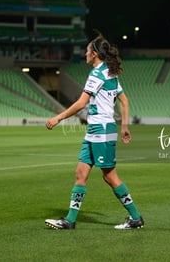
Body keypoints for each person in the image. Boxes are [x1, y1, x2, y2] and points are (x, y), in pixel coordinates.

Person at [44, 33, 144, 230]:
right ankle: (70, 221)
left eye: (88, 50)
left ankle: (135, 217)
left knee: (109, 176)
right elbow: (124, 101)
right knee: (80, 173)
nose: (85, 53)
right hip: (95, 130)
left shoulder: (97, 74)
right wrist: (123, 127)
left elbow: (82, 102)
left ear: (95, 54)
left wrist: (58, 118)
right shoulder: (109, 73)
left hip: (102, 130)